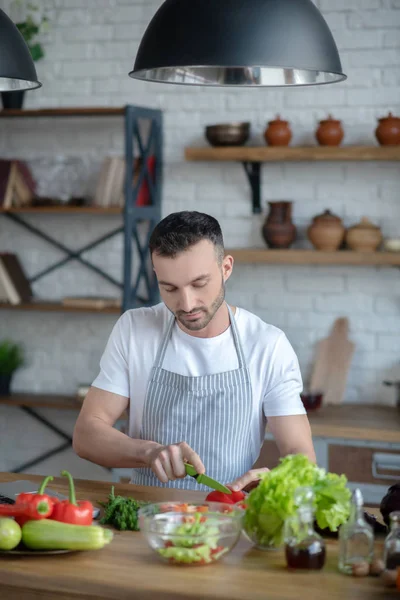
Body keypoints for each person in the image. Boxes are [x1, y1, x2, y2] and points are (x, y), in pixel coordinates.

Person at [73, 211, 315, 491]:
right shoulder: (134, 329)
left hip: (228, 515)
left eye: (199, 284)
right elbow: (86, 435)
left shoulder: (267, 345)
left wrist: (276, 481)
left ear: (226, 268)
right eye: (170, 288)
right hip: (148, 513)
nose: (186, 304)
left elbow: (300, 453)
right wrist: (149, 453)